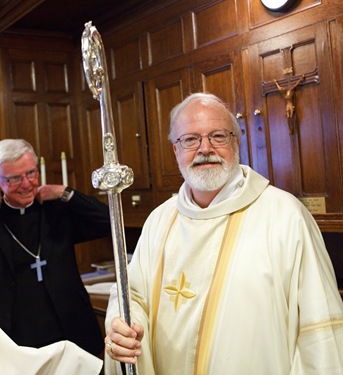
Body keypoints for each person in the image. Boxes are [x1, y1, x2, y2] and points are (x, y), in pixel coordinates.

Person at [104, 93, 343, 374]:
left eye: (218, 136)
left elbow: (319, 331)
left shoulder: (285, 217)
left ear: (235, 143)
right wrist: (121, 324)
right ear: (175, 150)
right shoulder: (159, 220)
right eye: (190, 139)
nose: (205, 148)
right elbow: (131, 295)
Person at [0, 139, 111, 357]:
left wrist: (65, 192)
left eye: (31, 173)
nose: (26, 183)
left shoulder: (57, 211)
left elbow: (109, 222)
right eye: (15, 178)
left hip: (73, 329)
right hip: (22, 339)